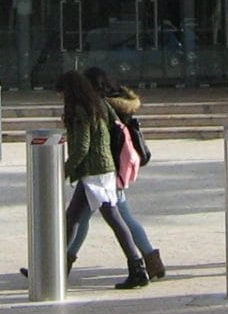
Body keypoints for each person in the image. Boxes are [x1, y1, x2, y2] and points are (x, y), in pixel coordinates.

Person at [67, 66, 165, 279]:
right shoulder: (118, 107)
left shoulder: (100, 107)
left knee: (98, 218)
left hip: (102, 171)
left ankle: (146, 261)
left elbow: (93, 142)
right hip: (109, 170)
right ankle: (149, 262)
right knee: (85, 218)